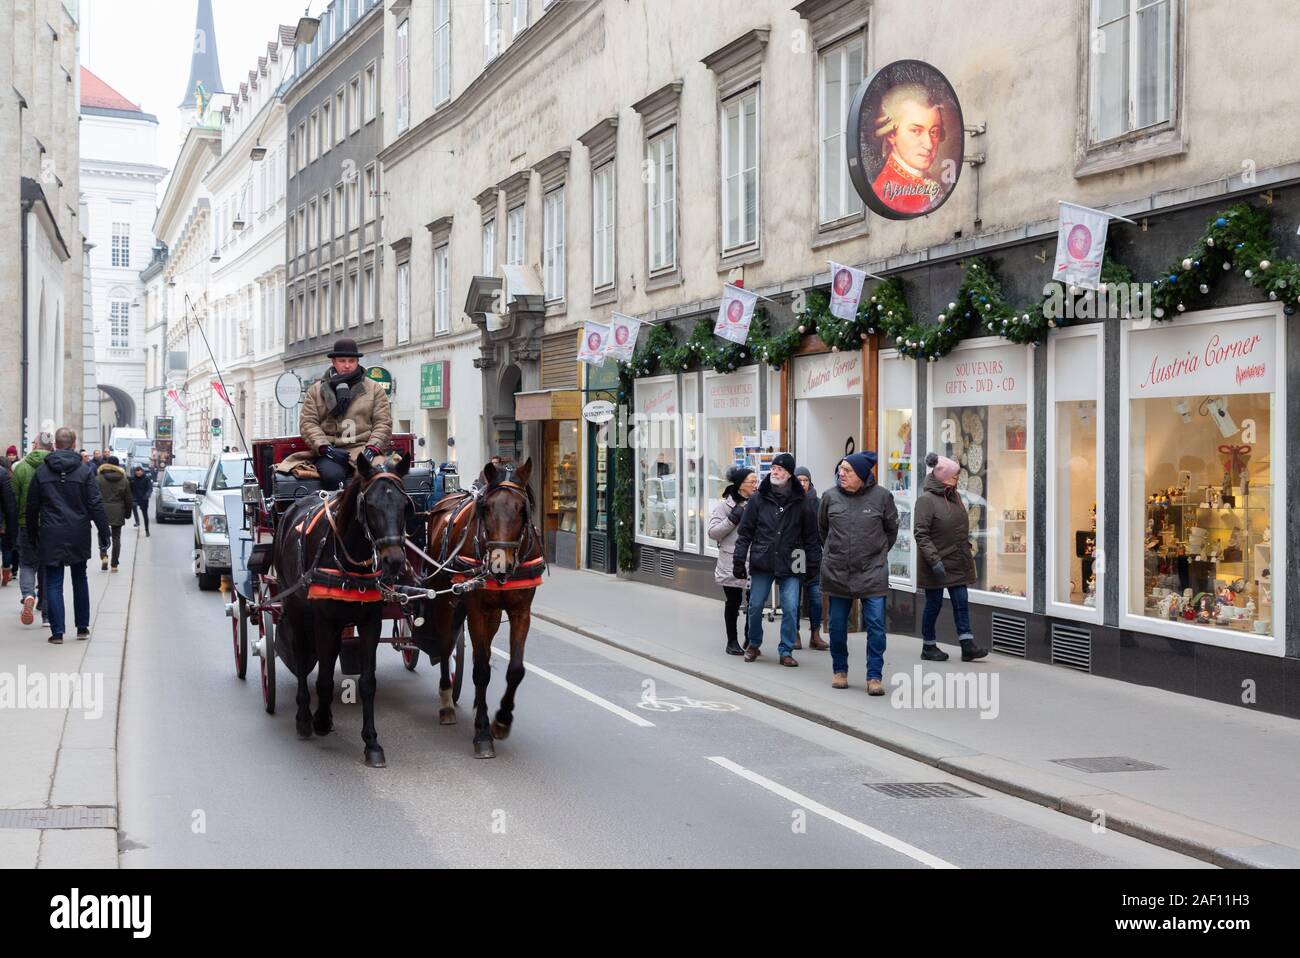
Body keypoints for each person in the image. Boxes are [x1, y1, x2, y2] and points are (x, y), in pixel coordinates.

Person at [819, 451, 898, 694]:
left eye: (847, 471)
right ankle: (839, 670)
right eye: (841, 469)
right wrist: (835, 553)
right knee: (837, 625)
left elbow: (891, 531)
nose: (841, 474)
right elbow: (823, 531)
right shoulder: (829, 497)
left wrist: (876, 555)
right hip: (837, 572)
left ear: (862, 475)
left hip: (872, 571)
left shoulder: (883, 497)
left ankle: (874, 676)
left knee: (875, 625)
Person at [733, 453, 821, 667]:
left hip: (793, 559)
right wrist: (738, 560)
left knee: (791, 607)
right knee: (755, 606)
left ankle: (786, 649)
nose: (775, 471)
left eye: (780, 469)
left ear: (789, 474)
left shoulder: (803, 502)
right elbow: (745, 532)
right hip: (763, 558)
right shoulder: (758, 498)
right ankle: (754, 643)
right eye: (773, 468)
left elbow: (811, 537)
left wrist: (812, 566)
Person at [25, 427, 110, 644]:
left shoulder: (42, 473)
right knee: (80, 578)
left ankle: (57, 632)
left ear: (55, 446)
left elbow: (32, 506)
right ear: (73, 445)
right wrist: (104, 532)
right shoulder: (84, 472)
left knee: (53, 582)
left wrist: (33, 534)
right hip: (78, 531)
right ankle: (82, 627)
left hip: (51, 532)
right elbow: (96, 504)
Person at [275, 337, 393, 491]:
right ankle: (338, 512)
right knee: (332, 476)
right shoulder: (316, 390)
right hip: (331, 451)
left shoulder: (374, 389)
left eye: (351, 361)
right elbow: (308, 423)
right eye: (342, 360)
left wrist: (371, 449)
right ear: (333, 362)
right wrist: (325, 448)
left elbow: (383, 422)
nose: (347, 365)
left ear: (357, 362)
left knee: (376, 474)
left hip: (363, 448)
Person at [913, 452, 989, 663]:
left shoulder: (953, 496)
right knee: (934, 604)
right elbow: (921, 533)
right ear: (943, 476)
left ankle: (967, 644)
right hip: (936, 562)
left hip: (957, 560)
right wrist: (934, 560)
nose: (957, 480)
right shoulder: (926, 501)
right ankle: (928, 646)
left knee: (961, 602)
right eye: (955, 476)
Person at [871, 83, 946, 215]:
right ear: (891, 134)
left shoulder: (929, 182)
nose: (929, 145)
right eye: (916, 131)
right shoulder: (883, 191)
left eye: (934, 132)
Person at [708, 466, 757, 656]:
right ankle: (732, 641)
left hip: (754, 559)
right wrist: (732, 519)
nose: (755, 485)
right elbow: (713, 533)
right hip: (731, 561)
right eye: (751, 482)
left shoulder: (758, 503)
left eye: (755, 481)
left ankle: (750, 638)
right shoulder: (724, 506)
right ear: (740, 485)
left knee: (754, 603)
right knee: (734, 602)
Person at [12, 433, 53, 626]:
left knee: (27, 564)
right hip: (50, 524)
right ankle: (46, 614)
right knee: (47, 567)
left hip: (25, 524)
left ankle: (28, 595)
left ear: (35, 445)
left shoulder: (21, 468)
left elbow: (14, 499)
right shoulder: (54, 467)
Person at [793, 466, 828, 652]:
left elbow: (825, 530)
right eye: (799, 480)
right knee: (794, 598)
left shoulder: (819, 502)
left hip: (815, 555)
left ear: (810, 482)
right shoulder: (790, 501)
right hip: (795, 556)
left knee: (816, 598)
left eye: (805, 480)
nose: (803, 484)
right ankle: (794, 633)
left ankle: (815, 634)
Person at [96, 455, 132, 571]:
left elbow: (94, 496)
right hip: (118, 510)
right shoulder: (124, 480)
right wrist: (127, 513)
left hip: (102, 510)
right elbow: (128, 499)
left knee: (102, 533)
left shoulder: (99, 478)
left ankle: (104, 554)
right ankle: (114, 564)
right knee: (116, 537)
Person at [0, 451, 16, 587]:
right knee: (6, 548)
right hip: (3, 519)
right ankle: (6, 573)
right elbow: (9, 501)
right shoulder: (4, 475)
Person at [129, 464, 153, 535]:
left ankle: (147, 530)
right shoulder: (132, 479)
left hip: (143, 498)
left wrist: (147, 495)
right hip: (135, 498)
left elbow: (150, 488)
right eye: (137, 472)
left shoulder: (146, 479)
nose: (138, 473)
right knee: (133, 506)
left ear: (142, 472)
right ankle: (137, 521)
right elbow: (129, 488)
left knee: (145, 515)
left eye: (139, 472)